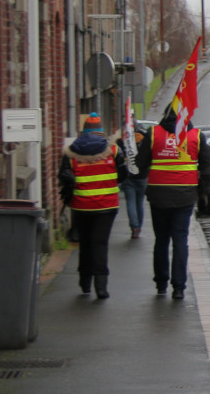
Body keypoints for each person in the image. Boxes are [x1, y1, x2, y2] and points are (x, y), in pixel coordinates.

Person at [136, 107, 210, 300]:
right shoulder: (196, 135)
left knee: (161, 240)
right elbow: (207, 168)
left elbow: (140, 162)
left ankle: (161, 283)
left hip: (158, 195)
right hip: (185, 196)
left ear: (165, 115)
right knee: (180, 241)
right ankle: (179, 287)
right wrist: (201, 192)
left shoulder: (154, 134)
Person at [59, 115, 120, 299]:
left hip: (82, 205)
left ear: (83, 131)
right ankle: (101, 287)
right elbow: (124, 174)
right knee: (100, 244)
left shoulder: (71, 152)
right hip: (107, 205)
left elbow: (63, 177)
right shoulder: (113, 150)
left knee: (85, 243)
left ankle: (84, 282)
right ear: (101, 130)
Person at [117, 123, 147, 240]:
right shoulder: (145, 141)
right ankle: (139, 226)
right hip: (142, 176)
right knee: (140, 203)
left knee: (130, 202)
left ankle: (134, 227)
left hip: (128, 176)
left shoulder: (122, 141)